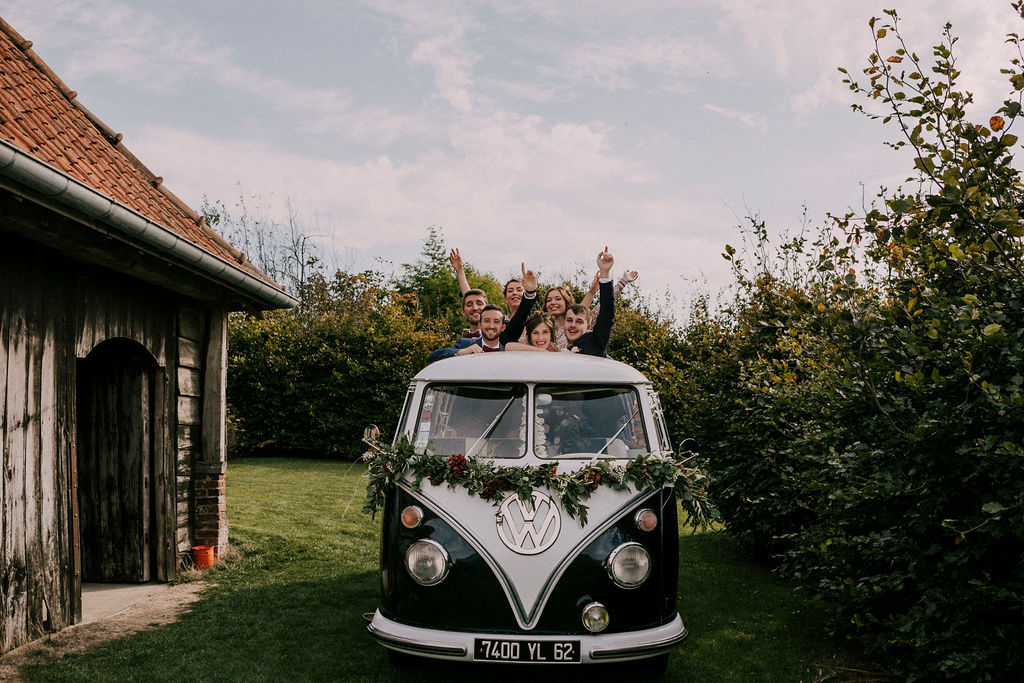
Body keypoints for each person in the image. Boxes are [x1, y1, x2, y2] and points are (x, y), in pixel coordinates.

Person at [428, 265, 538, 363]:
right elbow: (432, 357)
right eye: (486, 321)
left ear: (503, 327)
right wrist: (461, 352)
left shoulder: (507, 341)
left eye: (496, 322)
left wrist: (530, 293)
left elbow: (520, 317)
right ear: (480, 325)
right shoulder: (465, 344)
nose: (491, 326)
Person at [564, 248, 616, 357]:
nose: (573, 325)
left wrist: (604, 273)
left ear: (588, 327)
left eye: (579, 321)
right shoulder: (563, 350)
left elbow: (607, 313)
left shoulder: (594, 342)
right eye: (569, 320)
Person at [450, 247, 526, 319]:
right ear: (506, 299)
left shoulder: (534, 320)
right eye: (510, 291)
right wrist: (460, 271)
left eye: (519, 290)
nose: (514, 293)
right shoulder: (500, 321)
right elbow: (471, 297)